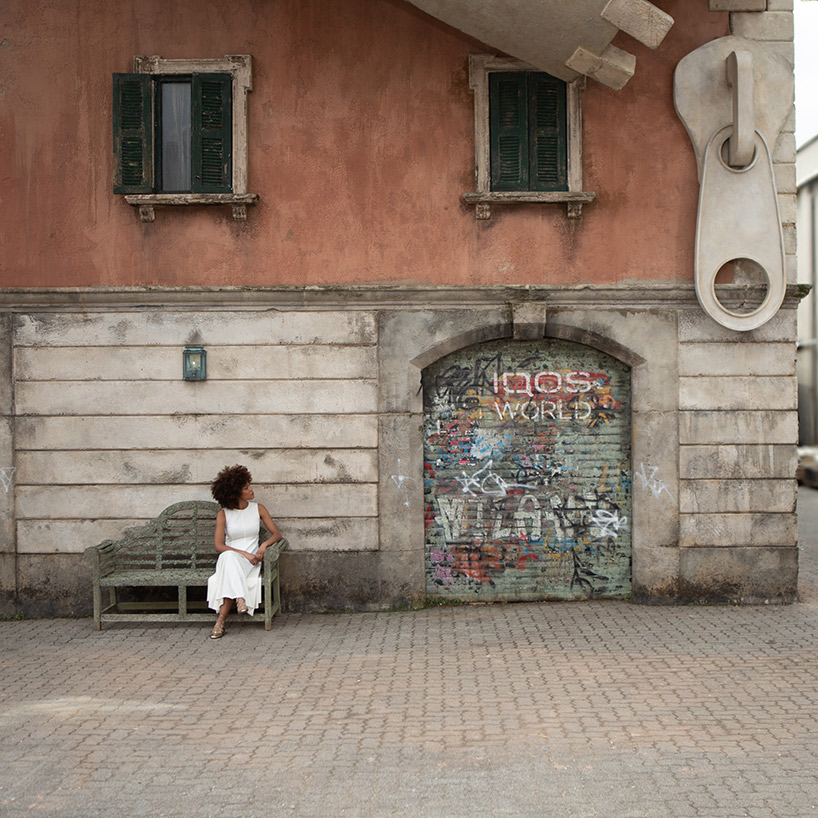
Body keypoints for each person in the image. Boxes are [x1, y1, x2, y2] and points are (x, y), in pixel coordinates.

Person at [207, 464, 282, 639]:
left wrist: (263, 546)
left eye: (249, 485)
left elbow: (277, 534)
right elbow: (219, 546)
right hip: (233, 558)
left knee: (228, 565)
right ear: (235, 492)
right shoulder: (223, 514)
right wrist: (244, 554)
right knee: (227, 556)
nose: (251, 489)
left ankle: (220, 623)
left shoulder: (258, 509)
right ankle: (239, 599)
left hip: (251, 562)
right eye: (246, 487)